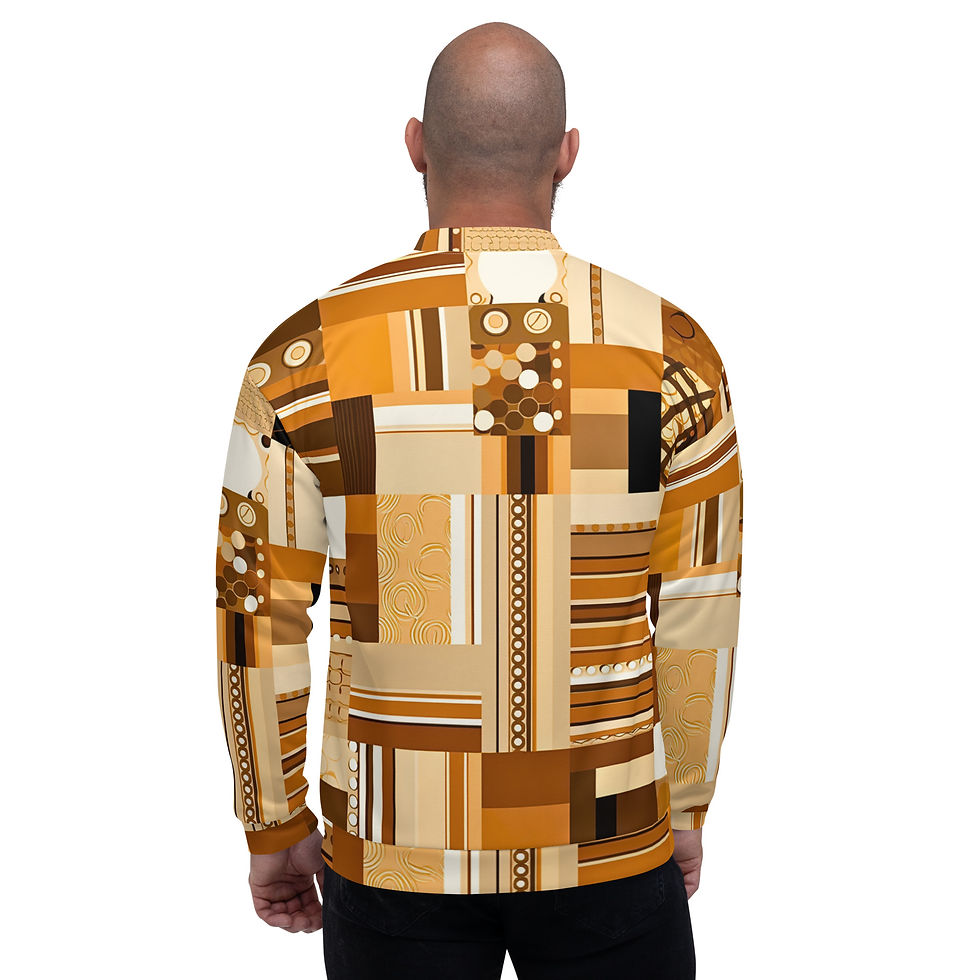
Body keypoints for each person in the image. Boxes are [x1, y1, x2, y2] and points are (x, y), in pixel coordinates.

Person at [214, 20, 743, 980]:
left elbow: (259, 610)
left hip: (395, 846)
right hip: (607, 835)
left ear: (416, 144)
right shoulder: (674, 356)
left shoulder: (303, 360)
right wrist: (685, 805)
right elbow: (700, 607)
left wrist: (273, 823)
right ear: (568, 153)